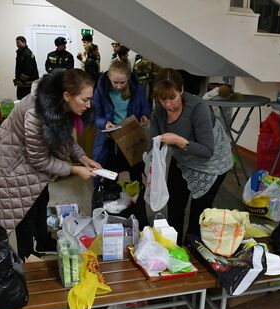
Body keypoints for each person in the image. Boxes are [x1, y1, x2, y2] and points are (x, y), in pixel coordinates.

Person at [0, 68, 101, 260]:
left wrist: (83, 158)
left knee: (41, 199)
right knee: (24, 210)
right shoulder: (36, 114)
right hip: (11, 164)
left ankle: (43, 240)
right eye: (84, 99)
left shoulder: (59, 105)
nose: (88, 105)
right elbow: (38, 159)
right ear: (66, 95)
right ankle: (27, 256)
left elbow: (64, 138)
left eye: (90, 99)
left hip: (27, 160)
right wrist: (74, 169)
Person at [148, 68, 233, 244]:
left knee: (199, 213)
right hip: (184, 158)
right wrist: (151, 158)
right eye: (162, 99)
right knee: (174, 205)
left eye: (172, 98)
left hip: (212, 163)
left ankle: (193, 251)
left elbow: (207, 151)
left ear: (181, 90)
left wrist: (179, 141)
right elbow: (153, 142)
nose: (167, 104)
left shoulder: (197, 108)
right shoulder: (160, 110)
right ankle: (174, 248)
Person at [92, 60, 150, 184]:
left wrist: (144, 115)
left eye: (122, 82)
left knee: (135, 169)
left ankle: (136, 197)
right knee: (110, 171)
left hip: (131, 135)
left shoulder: (138, 89)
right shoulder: (100, 91)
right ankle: (112, 194)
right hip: (109, 137)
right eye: (115, 82)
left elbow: (145, 106)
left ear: (129, 77)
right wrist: (104, 123)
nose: (118, 86)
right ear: (108, 77)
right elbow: (96, 115)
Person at [14, 36, 39, 100]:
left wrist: (21, 80)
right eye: (16, 42)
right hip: (23, 84)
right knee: (20, 98)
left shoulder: (27, 53)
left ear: (24, 42)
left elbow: (28, 70)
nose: (17, 44)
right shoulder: (20, 52)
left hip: (27, 84)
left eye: (18, 42)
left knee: (25, 100)